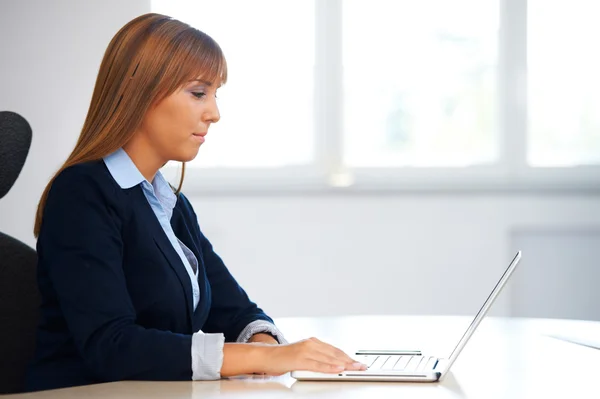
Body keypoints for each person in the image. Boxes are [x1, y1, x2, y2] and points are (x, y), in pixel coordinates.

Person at [25, 13, 366, 392]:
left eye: (215, 95)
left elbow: (234, 310)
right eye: (198, 93)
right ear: (140, 91)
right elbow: (111, 345)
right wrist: (263, 358)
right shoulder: (82, 194)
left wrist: (264, 344)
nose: (214, 113)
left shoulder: (170, 204)